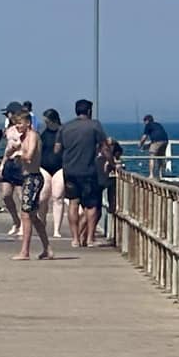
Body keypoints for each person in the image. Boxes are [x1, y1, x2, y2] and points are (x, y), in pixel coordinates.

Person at [59, 99, 108, 248]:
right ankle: (90, 238)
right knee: (91, 205)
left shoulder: (65, 127)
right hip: (88, 171)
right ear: (89, 111)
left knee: (73, 203)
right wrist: (111, 163)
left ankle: (75, 239)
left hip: (69, 170)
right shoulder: (95, 125)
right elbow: (105, 147)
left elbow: (57, 149)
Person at [8, 109, 53, 260]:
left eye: (20, 123)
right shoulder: (23, 137)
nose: (18, 126)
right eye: (16, 124)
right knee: (32, 216)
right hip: (27, 177)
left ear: (28, 123)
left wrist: (19, 153)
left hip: (33, 177)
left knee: (26, 214)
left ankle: (25, 251)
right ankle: (47, 248)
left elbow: (30, 155)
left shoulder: (33, 136)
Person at [39, 109, 67, 238]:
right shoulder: (43, 134)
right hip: (44, 167)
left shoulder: (63, 132)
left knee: (57, 197)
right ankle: (42, 222)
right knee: (43, 197)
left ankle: (57, 229)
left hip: (60, 167)